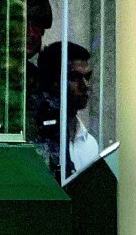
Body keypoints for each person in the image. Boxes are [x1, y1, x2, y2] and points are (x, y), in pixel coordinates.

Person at [34, 41, 99, 175]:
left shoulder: (89, 143)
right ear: (53, 81)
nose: (85, 85)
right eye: (75, 77)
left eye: (87, 77)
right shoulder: (36, 136)